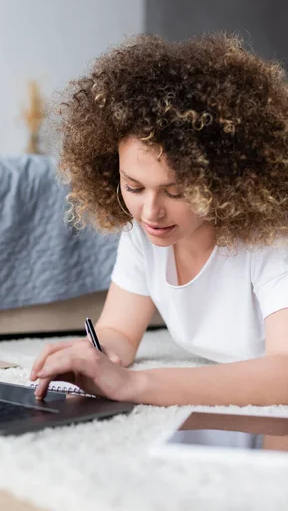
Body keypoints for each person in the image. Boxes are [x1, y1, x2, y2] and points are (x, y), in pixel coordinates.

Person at [30, 32, 288, 407]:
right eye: (133, 187)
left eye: (177, 192)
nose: (151, 212)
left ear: (228, 179)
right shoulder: (143, 233)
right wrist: (95, 356)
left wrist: (136, 385)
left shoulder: (272, 241)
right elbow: (118, 330)